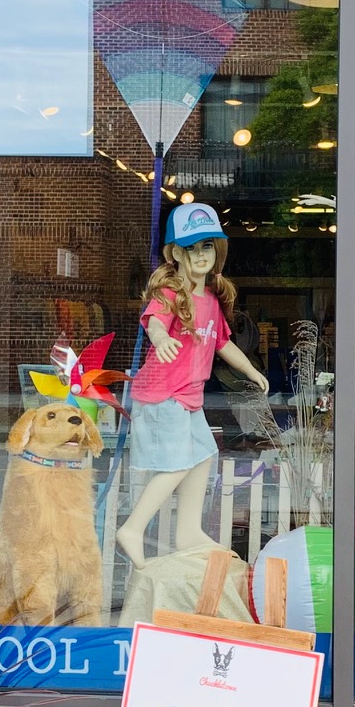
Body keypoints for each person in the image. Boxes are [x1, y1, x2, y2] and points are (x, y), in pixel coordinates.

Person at [115, 202, 268, 569]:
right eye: (191, 247)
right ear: (175, 254)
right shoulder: (170, 294)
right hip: (162, 394)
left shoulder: (211, 300)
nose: (200, 255)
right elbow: (154, 322)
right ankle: (133, 529)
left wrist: (251, 370)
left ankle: (187, 531)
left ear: (218, 251)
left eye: (207, 246)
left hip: (188, 397)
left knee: (203, 453)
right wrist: (160, 338)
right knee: (177, 463)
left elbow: (223, 344)